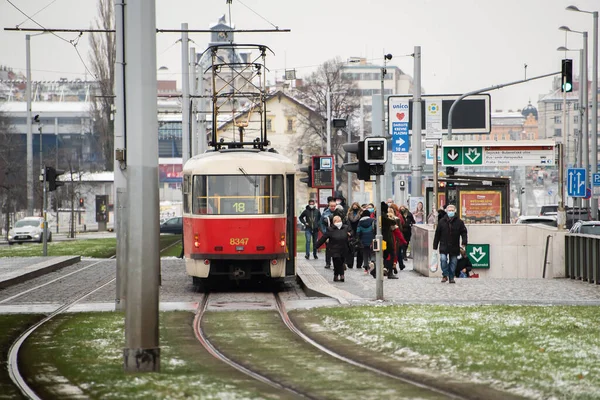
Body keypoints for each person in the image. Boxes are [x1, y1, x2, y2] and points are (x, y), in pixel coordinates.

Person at [433, 204, 468, 284]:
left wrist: (464, 242)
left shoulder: (459, 222)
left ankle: (451, 277)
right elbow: (437, 234)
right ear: (446, 211)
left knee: (453, 262)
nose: (451, 212)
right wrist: (435, 247)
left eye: (452, 210)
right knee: (443, 259)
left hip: (454, 246)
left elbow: (464, 232)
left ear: (455, 211)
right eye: (449, 210)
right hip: (443, 245)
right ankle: (445, 274)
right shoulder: (442, 221)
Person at [315, 215, 351, 282]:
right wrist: (316, 245)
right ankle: (342, 275)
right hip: (334, 248)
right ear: (334, 222)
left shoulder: (346, 228)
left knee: (341, 261)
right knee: (337, 261)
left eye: (340, 221)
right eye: (337, 221)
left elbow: (351, 233)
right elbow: (324, 238)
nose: (339, 222)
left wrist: (350, 234)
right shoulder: (330, 229)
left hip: (343, 248)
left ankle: (336, 275)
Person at [320, 200, 337, 269]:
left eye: (334, 206)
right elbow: (321, 224)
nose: (333, 207)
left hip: (337, 233)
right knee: (328, 249)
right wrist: (325, 233)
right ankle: (328, 263)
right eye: (331, 206)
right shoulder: (325, 213)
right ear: (329, 206)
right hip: (328, 233)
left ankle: (337, 263)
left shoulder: (339, 213)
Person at [346, 202, 363, 269]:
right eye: (354, 206)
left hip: (359, 232)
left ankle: (359, 264)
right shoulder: (349, 215)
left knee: (360, 249)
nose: (355, 208)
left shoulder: (361, 214)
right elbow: (347, 224)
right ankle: (350, 264)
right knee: (350, 248)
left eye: (356, 206)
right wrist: (349, 231)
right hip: (351, 232)